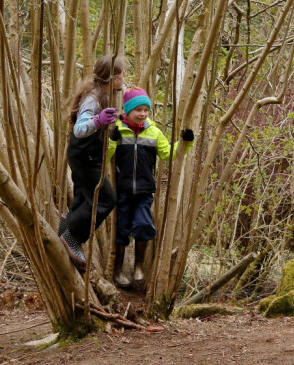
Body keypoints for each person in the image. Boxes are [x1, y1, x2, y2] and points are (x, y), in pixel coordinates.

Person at [108, 87, 194, 288]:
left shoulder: (154, 132)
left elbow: (168, 154)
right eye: (138, 110)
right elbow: (107, 156)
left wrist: (185, 142)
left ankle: (139, 266)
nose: (143, 114)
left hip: (145, 190)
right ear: (128, 111)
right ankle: (118, 271)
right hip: (123, 189)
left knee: (144, 224)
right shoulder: (118, 130)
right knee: (122, 229)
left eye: (146, 110)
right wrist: (112, 140)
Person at [59, 56, 124, 271]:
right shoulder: (93, 98)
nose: (123, 78)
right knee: (106, 199)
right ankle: (72, 237)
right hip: (84, 156)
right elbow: (80, 129)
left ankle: (67, 223)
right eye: (121, 74)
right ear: (112, 77)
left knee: (84, 196)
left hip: (84, 155)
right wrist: (97, 121)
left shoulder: (103, 94)